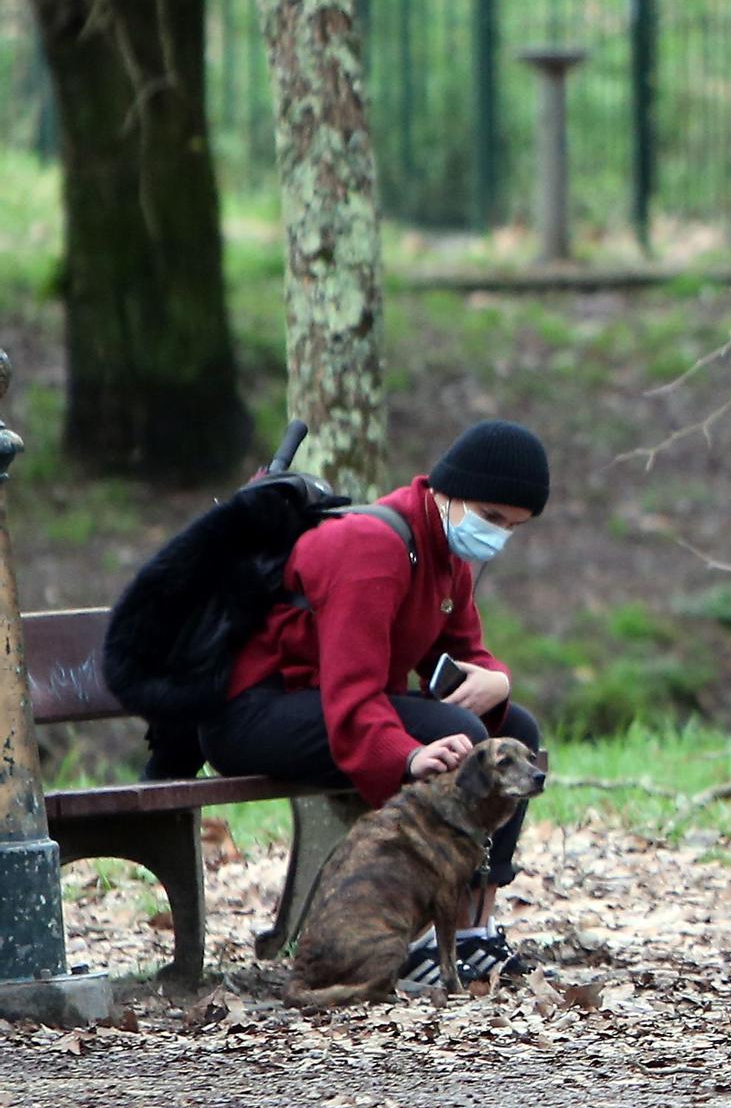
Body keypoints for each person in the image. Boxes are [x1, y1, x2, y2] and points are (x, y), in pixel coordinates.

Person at [199, 420, 551, 990]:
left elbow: (468, 654)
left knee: (516, 727)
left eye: (513, 527)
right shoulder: (373, 548)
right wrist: (407, 756)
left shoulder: (447, 556)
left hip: (331, 703)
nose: (498, 535)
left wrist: (497, 682)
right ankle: (404, 931)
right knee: (462, 736)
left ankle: (471, 928)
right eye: (490, 517)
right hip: (256, 714)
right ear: (445, 492)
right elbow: (353, 693)